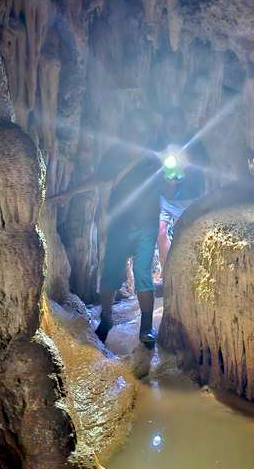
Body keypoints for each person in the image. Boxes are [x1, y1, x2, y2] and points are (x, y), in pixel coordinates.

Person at [47, 109, 162, 348]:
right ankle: (106, 318)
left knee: (142, 273)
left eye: (142, 133)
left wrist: (175, 180)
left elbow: (167, 189)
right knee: (110, 274)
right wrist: (70, 192)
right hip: (121, 224)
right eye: (134, 131)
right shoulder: (116, 155)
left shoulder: (153, 159)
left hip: (146, 227)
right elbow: (99, 178)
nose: (138, 136)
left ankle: (146, 326)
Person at [156, 107, 210, 280]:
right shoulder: (160, 142)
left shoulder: (192, 142)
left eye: (176, 124)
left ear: (182, 123)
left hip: (189, 198)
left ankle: (185, 271)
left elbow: (205, 164)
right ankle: (170, 265)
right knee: (159, 233)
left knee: (183, 235)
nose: (173, 128)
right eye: (170, 124)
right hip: (165, 197)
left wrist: (191, 160)